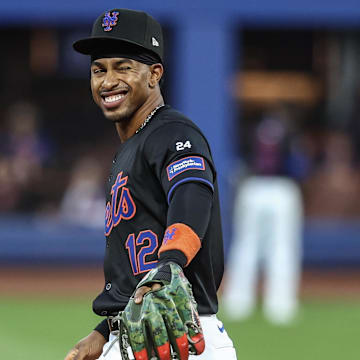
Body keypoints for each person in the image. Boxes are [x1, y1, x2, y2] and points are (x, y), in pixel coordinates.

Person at [65, 8, 237, 360]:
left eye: (123, 67)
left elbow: (191, 191)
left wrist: (171, 262)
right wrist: (104, 331)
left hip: (178, 333)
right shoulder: (132, 148)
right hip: (139, 328)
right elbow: (134, 270)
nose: (107, 81)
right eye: (99, 70)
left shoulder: (172, 132)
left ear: (154, 74)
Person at [222, 104, 304, 325]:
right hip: (281, 189)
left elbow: (239, 163)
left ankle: (238, 302)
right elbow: (299, 166)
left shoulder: (249, 130)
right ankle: (280, 306)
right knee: (282, 247)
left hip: (253, 187)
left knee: (246, 245)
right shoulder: (290, 132)